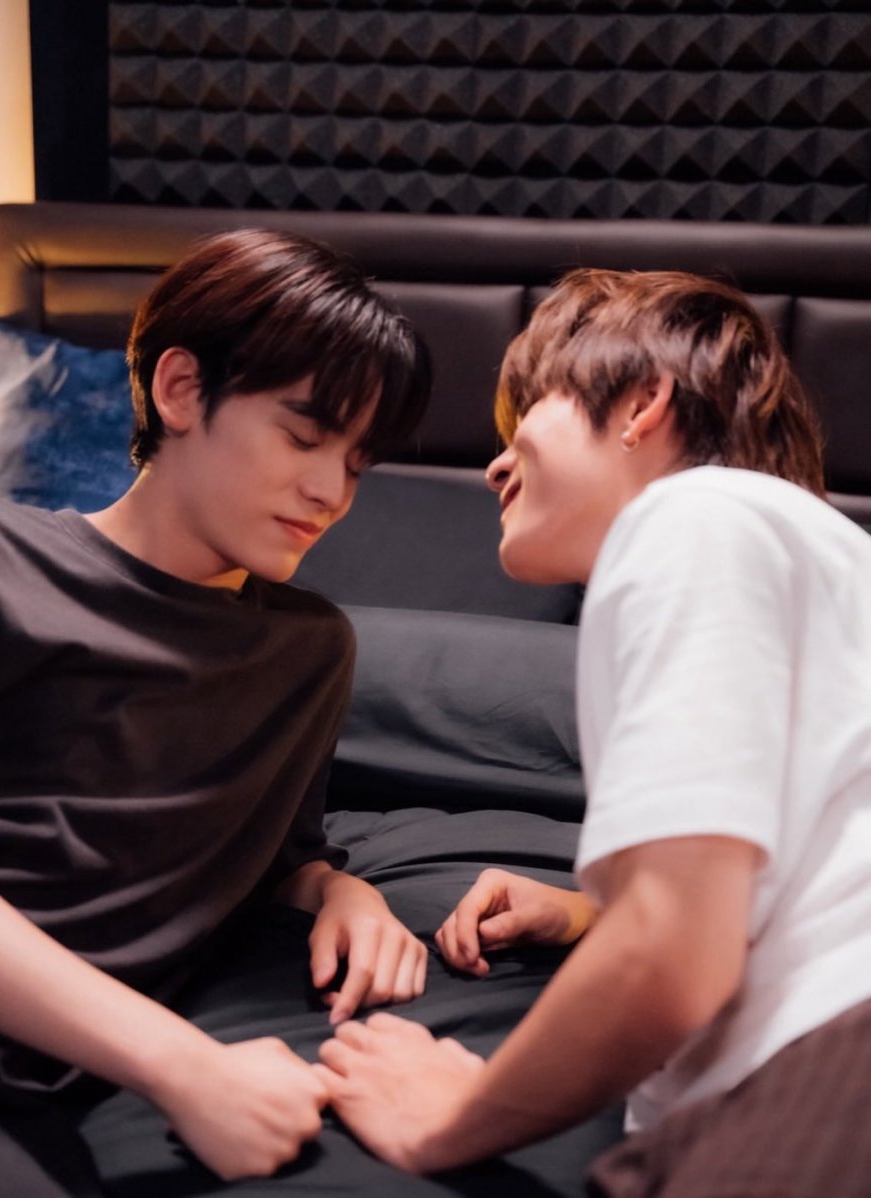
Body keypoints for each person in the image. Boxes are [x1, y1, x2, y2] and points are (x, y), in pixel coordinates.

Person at [317, 268, 871, 1197]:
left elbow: (671, 952)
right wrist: (588, 912)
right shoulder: (806, 555)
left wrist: (450, 1117)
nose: (496, 466)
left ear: (643, 403)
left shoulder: (693, 514)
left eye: (525, 418)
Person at [0, 227, 432, 1193]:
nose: (330, 492)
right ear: (180, 389)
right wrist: (183, 1067)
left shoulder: (309, 650)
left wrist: (341, 892)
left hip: (59, 1095)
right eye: (304, 437)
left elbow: (272, 858)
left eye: (357, 464)